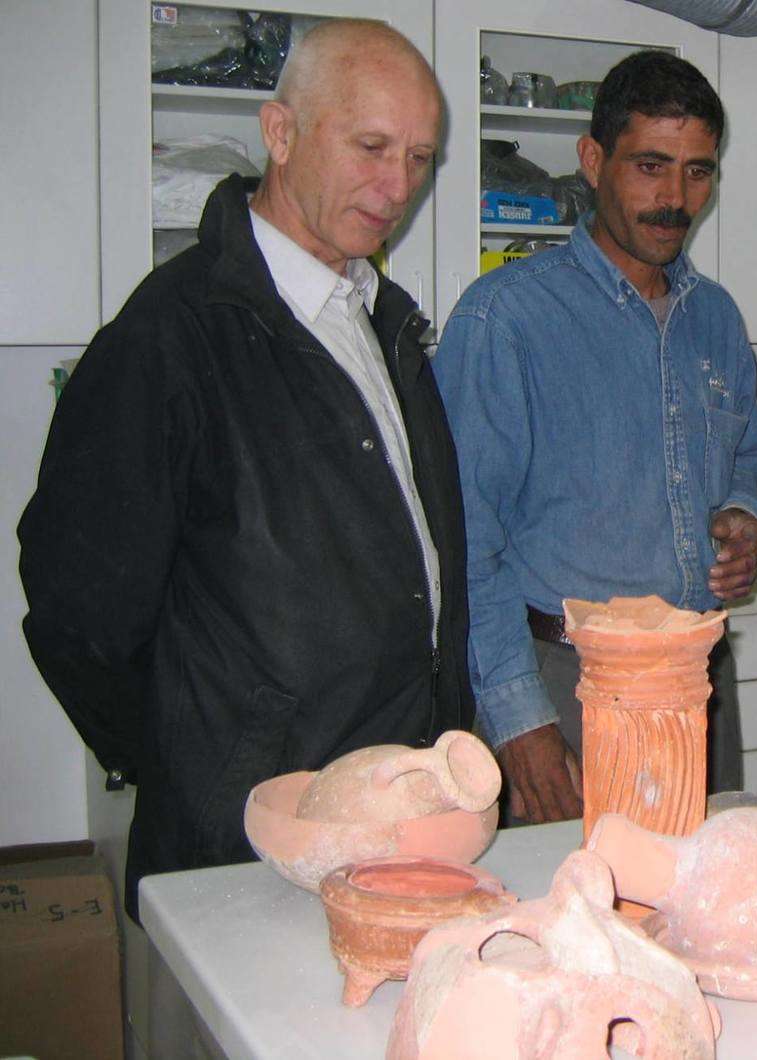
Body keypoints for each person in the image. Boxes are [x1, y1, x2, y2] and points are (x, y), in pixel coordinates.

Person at [18, 20, 472, 918]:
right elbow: (77, 619)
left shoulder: (376, 319)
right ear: (281, 132)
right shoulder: (168, 338)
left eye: (419, 157)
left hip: (401, 815)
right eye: (372, 147)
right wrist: (202, 770)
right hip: (250, 845)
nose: (399, 188)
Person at [433, 50, 757, 823]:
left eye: (697, 172)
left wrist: (745, 517)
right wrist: (520, 720)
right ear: (592, 160)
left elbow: (746, 455)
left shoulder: (716, 317)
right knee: (574, 896)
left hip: (697, 675)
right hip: (564, 684)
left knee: (702, 886)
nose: (675, 199)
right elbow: (465, 542)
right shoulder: (505, 319)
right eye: (650, 166)